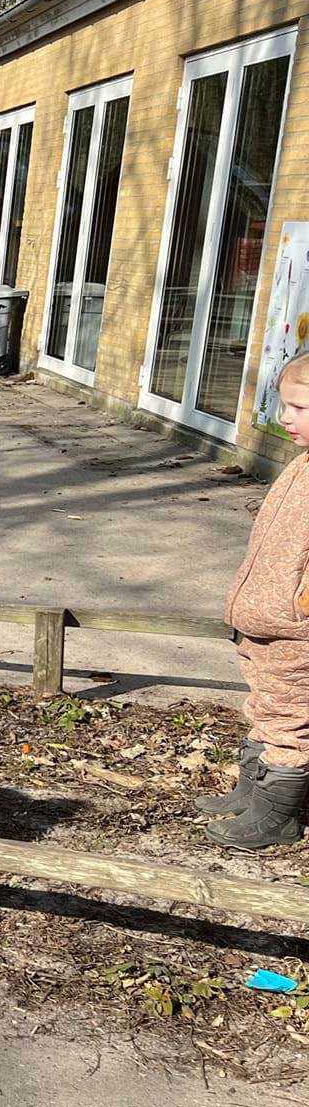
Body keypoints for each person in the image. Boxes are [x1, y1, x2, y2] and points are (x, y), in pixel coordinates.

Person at [197, 352, 309, 849]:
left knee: (290, 713)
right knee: (265, 702)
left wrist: (301, 605)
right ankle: (254, 789)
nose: (286, 418)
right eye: (285, 405)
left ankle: (278, 814)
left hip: (295, 627)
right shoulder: (301, 465)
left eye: (300, 408)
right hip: (264, 617)